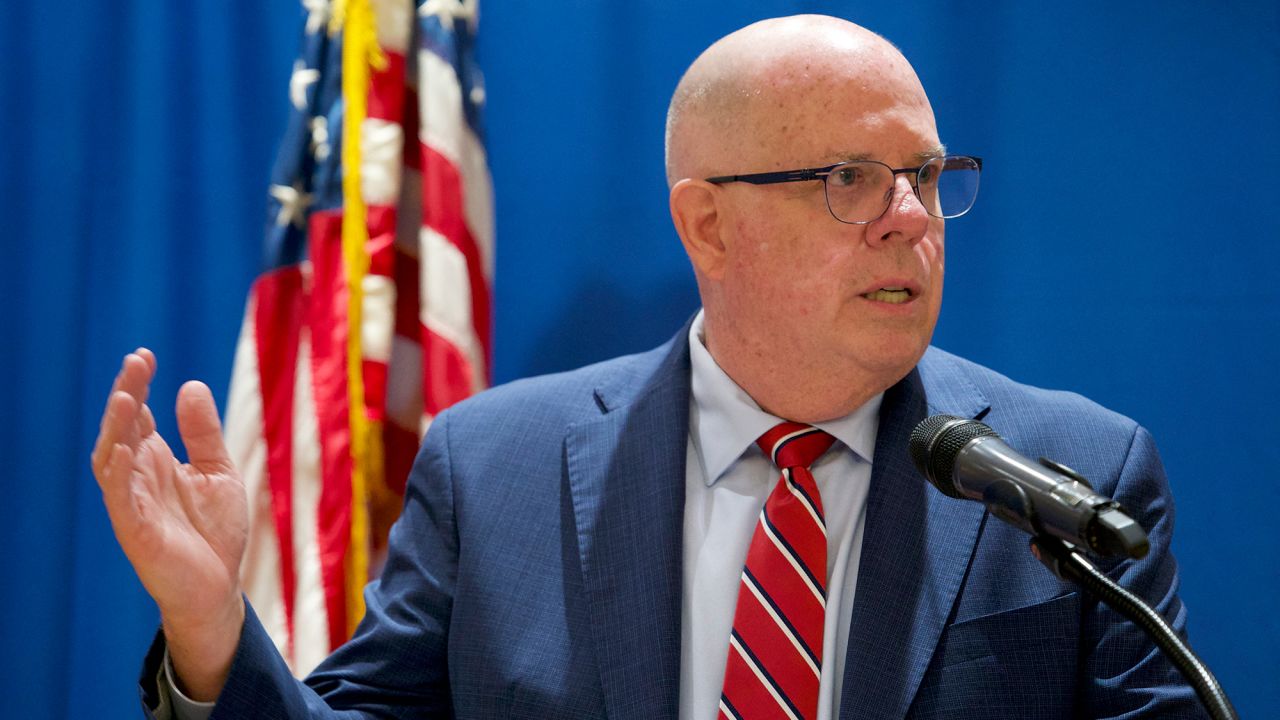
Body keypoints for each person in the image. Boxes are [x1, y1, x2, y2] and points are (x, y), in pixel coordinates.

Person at [92, 14, 1206, 719]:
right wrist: (209, 633)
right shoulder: (493, 470)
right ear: (706, 225)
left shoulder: (1071, 473)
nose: (910, 220)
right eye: (851, 179)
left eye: (925, 173)